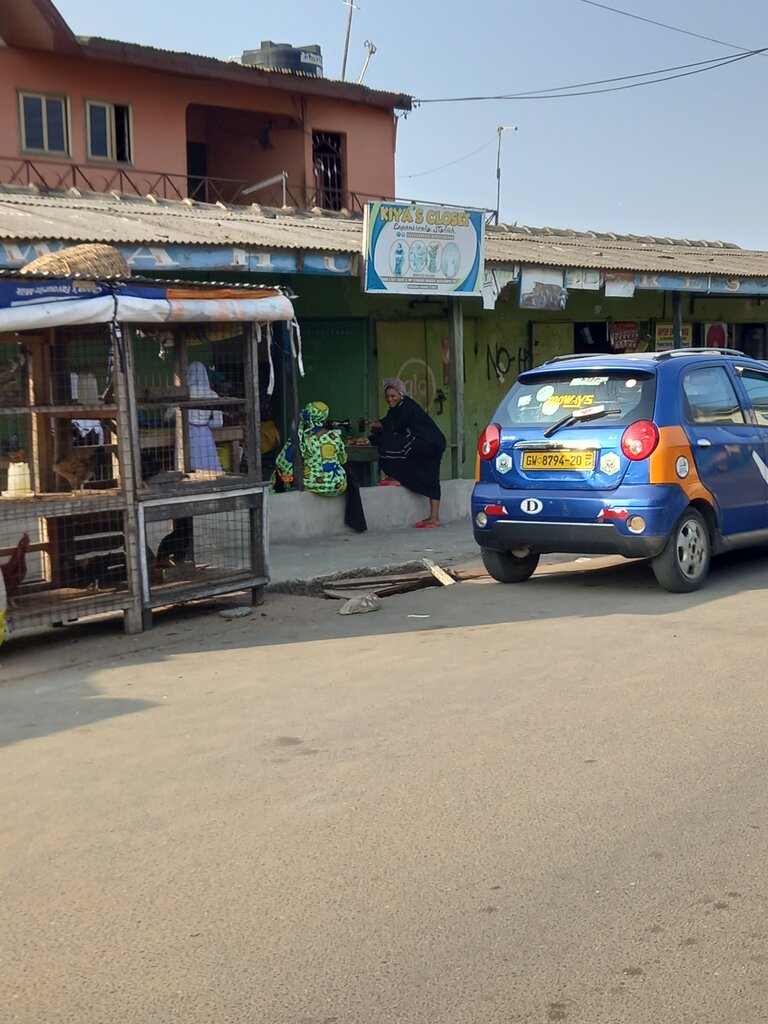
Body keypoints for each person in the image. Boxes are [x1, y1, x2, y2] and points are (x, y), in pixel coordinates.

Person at [274, 401, 366, 532]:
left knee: (278, 475)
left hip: (313, 484)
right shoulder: (334, 436)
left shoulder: (301, 437)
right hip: (337, 484)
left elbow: (283, 462)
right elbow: (342, 459)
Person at [367, 378, 446, 528]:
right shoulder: (397, 408)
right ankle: (434, 518)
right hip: (434, 442)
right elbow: (386, 422)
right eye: (387, 396)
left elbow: (394, 428)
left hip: (429, 443)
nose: (390, 399)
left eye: (393, 396)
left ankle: (395, 476)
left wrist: (371, 439)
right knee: (431, 476)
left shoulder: (407, 407)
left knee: (388, 450)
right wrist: (371, 424)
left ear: (401, 394)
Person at [168, 362, 223, 472]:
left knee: (185, 462)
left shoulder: (182, 394)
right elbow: (218, 423)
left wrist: (177, 419)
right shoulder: (212, 394)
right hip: (205, 434)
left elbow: (167, 416)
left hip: (185, 431)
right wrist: (205, 425)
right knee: (207, 464)